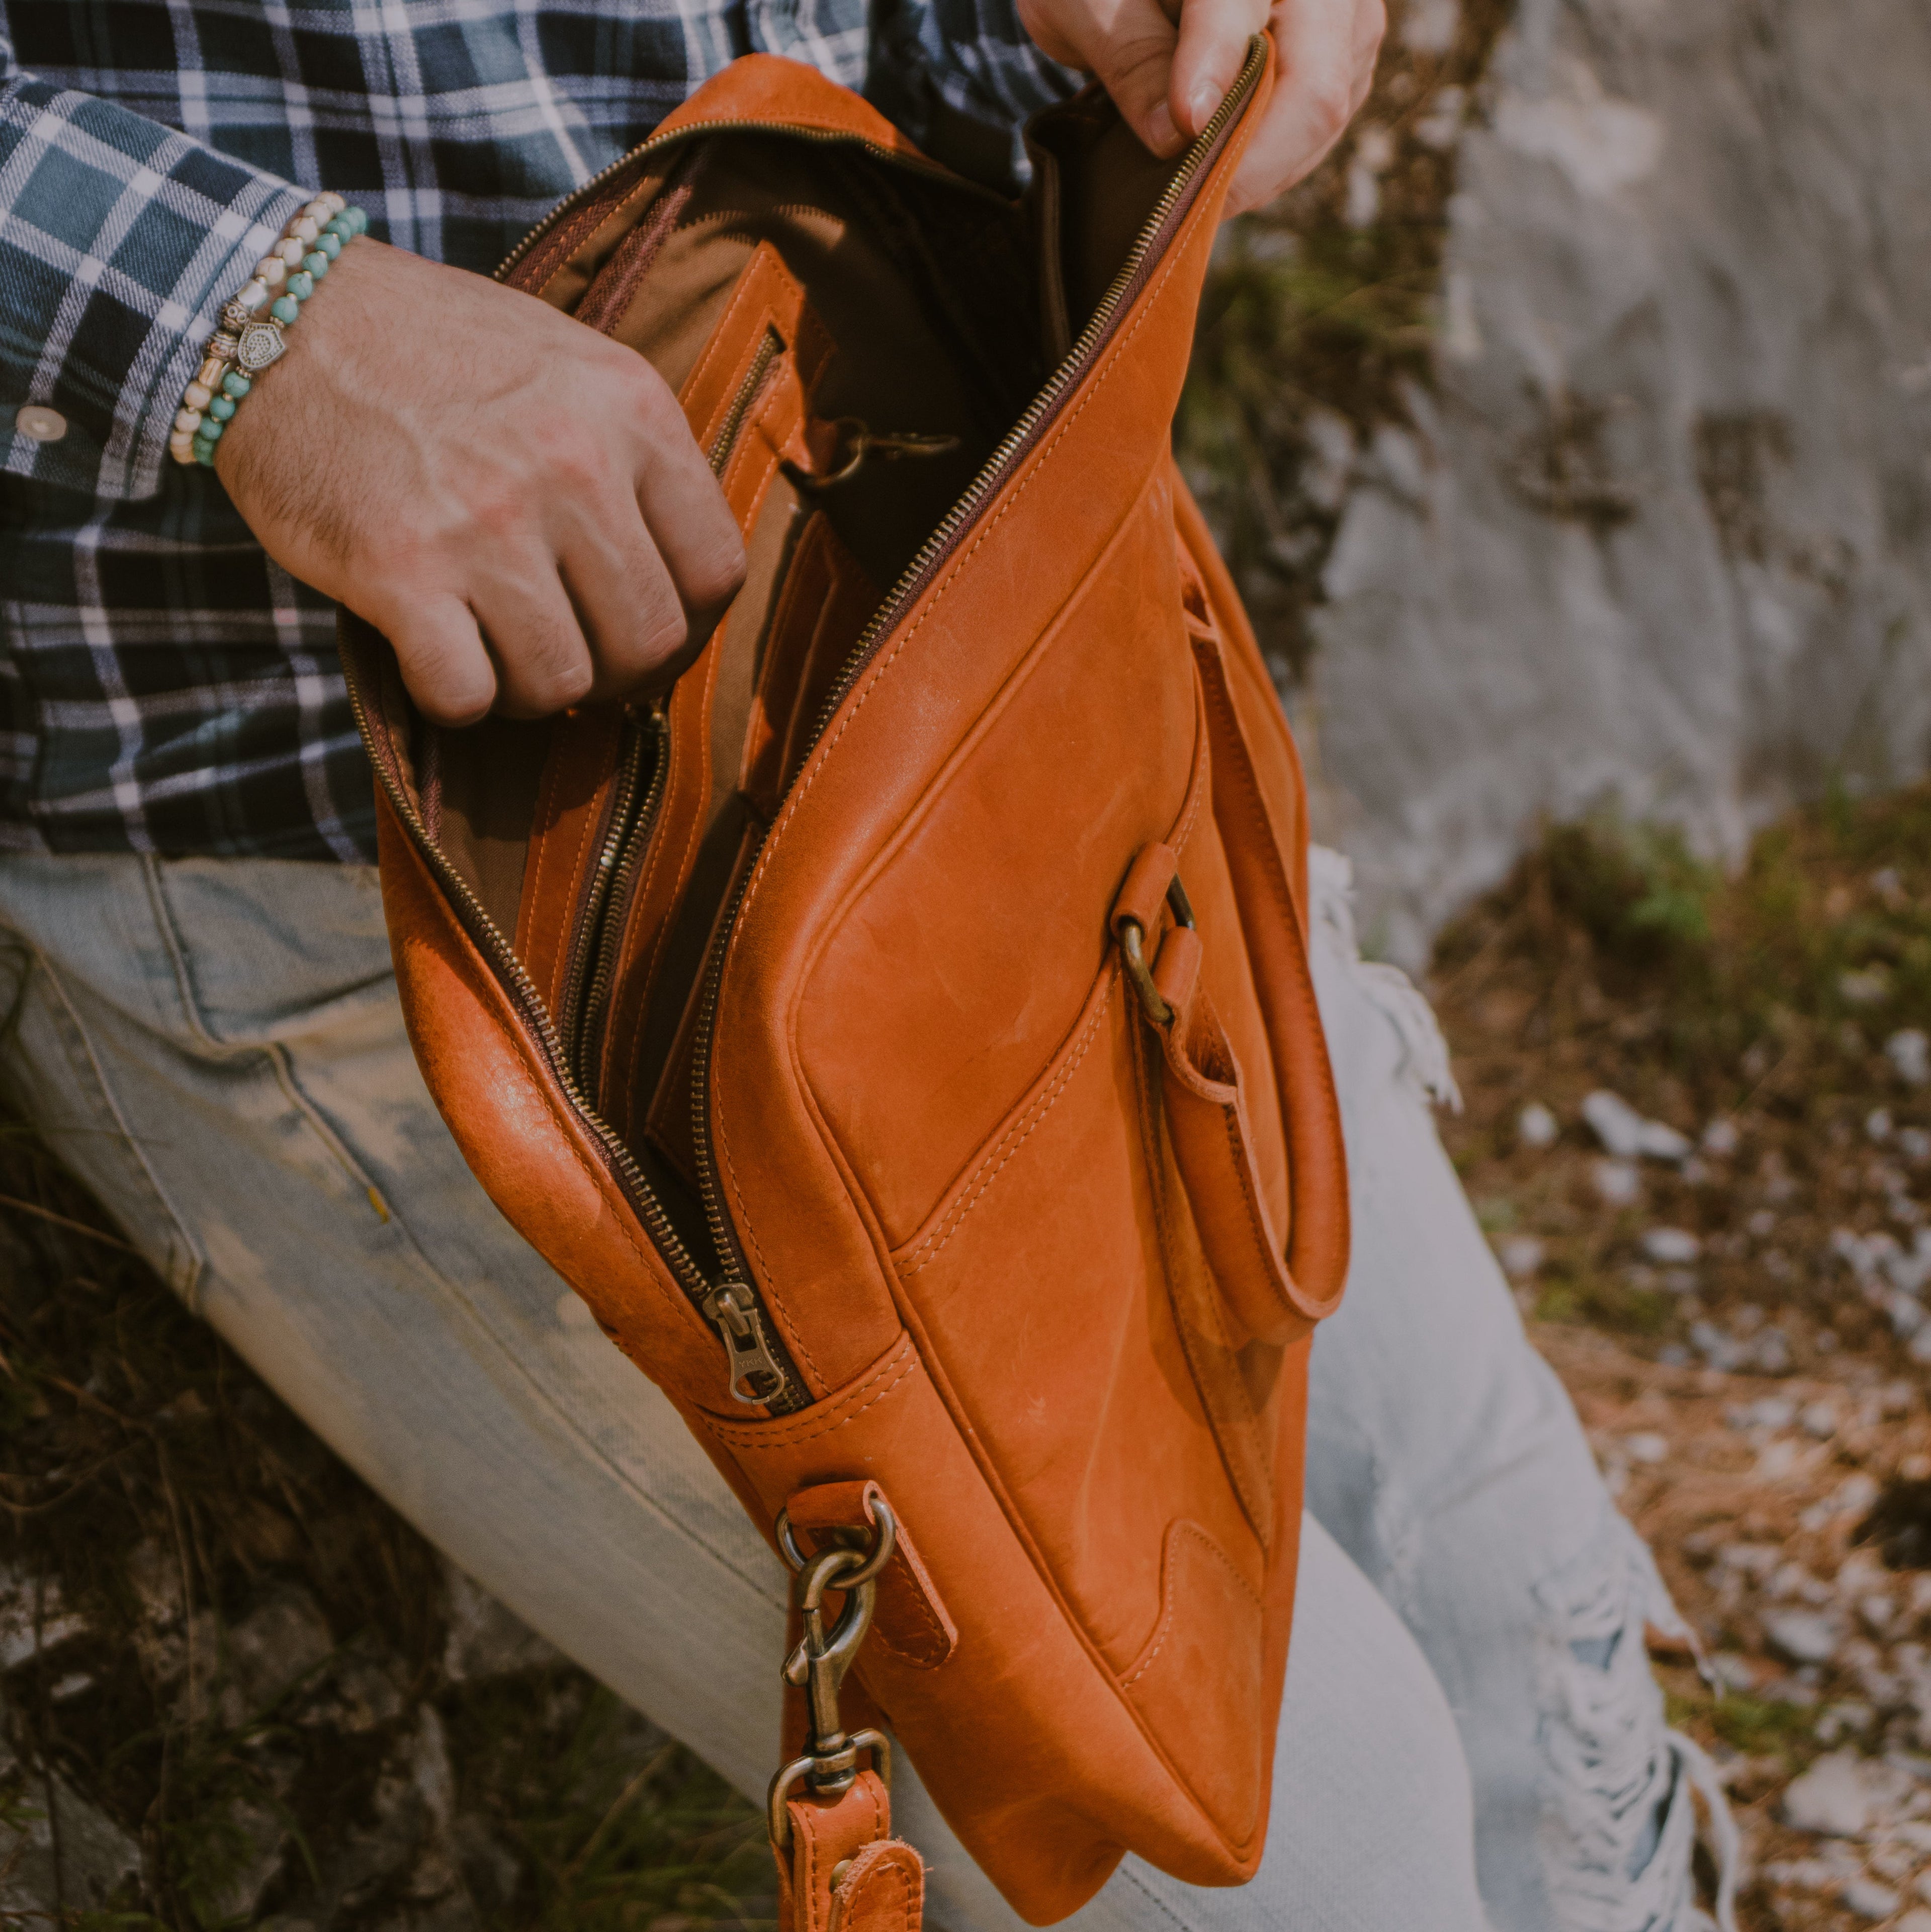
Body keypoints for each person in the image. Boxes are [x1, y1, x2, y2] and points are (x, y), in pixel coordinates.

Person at [0, 0, 1727, 1921]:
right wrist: (262, 331)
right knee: (1336, 1861)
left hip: (986, 653)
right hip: (405, 883)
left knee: (1528, 1624)